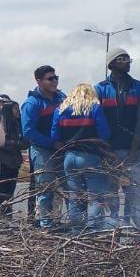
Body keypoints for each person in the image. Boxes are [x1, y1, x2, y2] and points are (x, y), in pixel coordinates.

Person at [94, 48, 140, 228]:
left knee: (138, 193)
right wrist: (105, 149)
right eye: (122, 58)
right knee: (110, 194)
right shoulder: (100, 89)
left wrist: (135, 148)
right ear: (111, 63)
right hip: (109, 150)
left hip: (134, 150)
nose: (127, 62)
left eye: (128, 58)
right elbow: (96, 121)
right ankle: (112, 232)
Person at [51, 83, 113, 229]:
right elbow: (105, 133)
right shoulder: (95, 108)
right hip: (89, 156)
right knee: (95, 196)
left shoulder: (60, 110)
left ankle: (77, 231)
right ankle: (93, 230)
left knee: (75, 196)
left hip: (69, 157)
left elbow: (54, 136)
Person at [21, 65, 66, 228]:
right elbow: (28, 131)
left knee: (66, 186)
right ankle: (46, 223)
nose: (54, 81)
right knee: (45, 188)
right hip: (42, 150)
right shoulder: (32, 103)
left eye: (56, 78)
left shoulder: (62, 98)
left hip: (62, 150)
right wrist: (51, 142)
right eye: (50, 78)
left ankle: (63, 221)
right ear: (39, 81)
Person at [0, 98, 26, 213]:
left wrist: (19, 143)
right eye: (15, 109)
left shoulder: (17, 123)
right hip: (2, 161)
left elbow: (25, 142)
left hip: (14, 162)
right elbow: (3, 143)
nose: (17, 111)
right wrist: (17, 143)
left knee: (10, 189)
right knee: (0, 189)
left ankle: (5, 211)